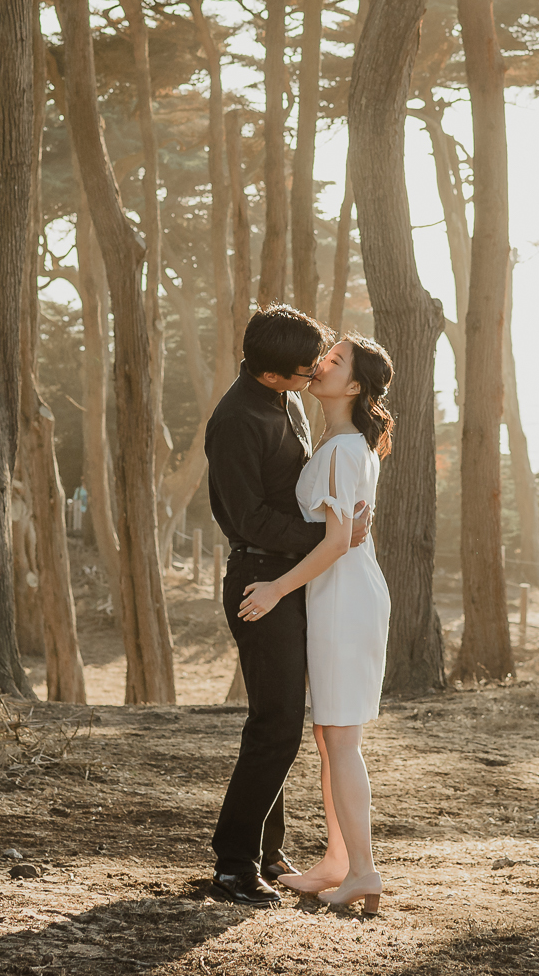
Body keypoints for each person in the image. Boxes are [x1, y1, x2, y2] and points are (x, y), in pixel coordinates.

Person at [202, 305, 367, 906]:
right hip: (257, 580)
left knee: (285, 724)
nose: (314, 374)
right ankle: (233, 864)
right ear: (272, 374)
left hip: (293, 577)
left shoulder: (285, 398)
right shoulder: (237, 420)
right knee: (274, 726)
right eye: (303, 371)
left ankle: (268, 852)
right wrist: (332, 539)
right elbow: (244, 515)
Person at [238, 335, 392, 914]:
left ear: (353, 386)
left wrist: (277, 587)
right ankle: (338, 862)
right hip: (339, 597)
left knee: (342, 741)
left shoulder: (341, 450)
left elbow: (333, 544)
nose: (320, 361)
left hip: (343, 599)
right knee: (332, 739)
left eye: (335, 359)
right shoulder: (339, 445)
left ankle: (364, 873)